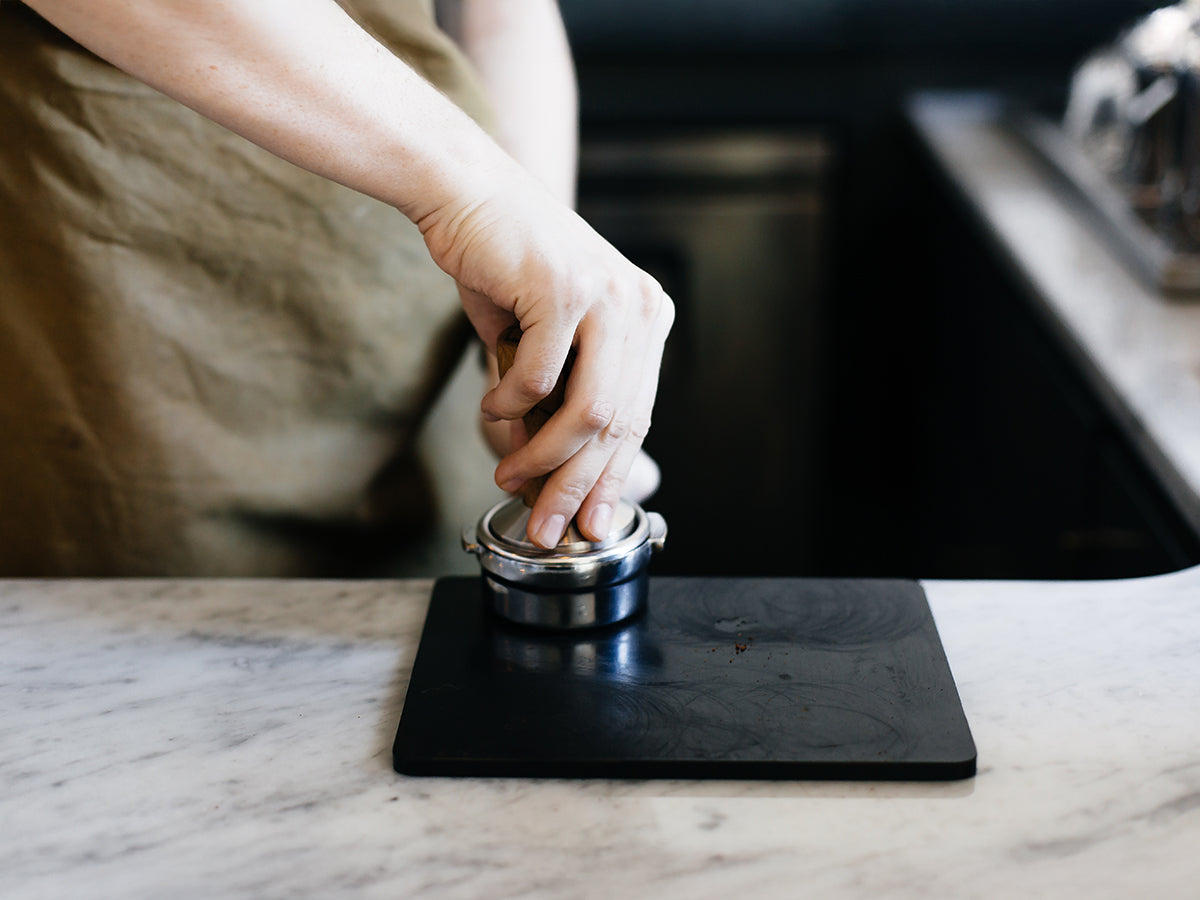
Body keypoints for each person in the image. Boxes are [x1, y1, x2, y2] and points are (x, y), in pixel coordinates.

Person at [0, 0, 672, 576]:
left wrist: (534, 313)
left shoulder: (466, 202)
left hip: (420, 305)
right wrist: (476, 194)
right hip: (143, 316)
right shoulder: (463, 188)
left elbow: (504, 16)